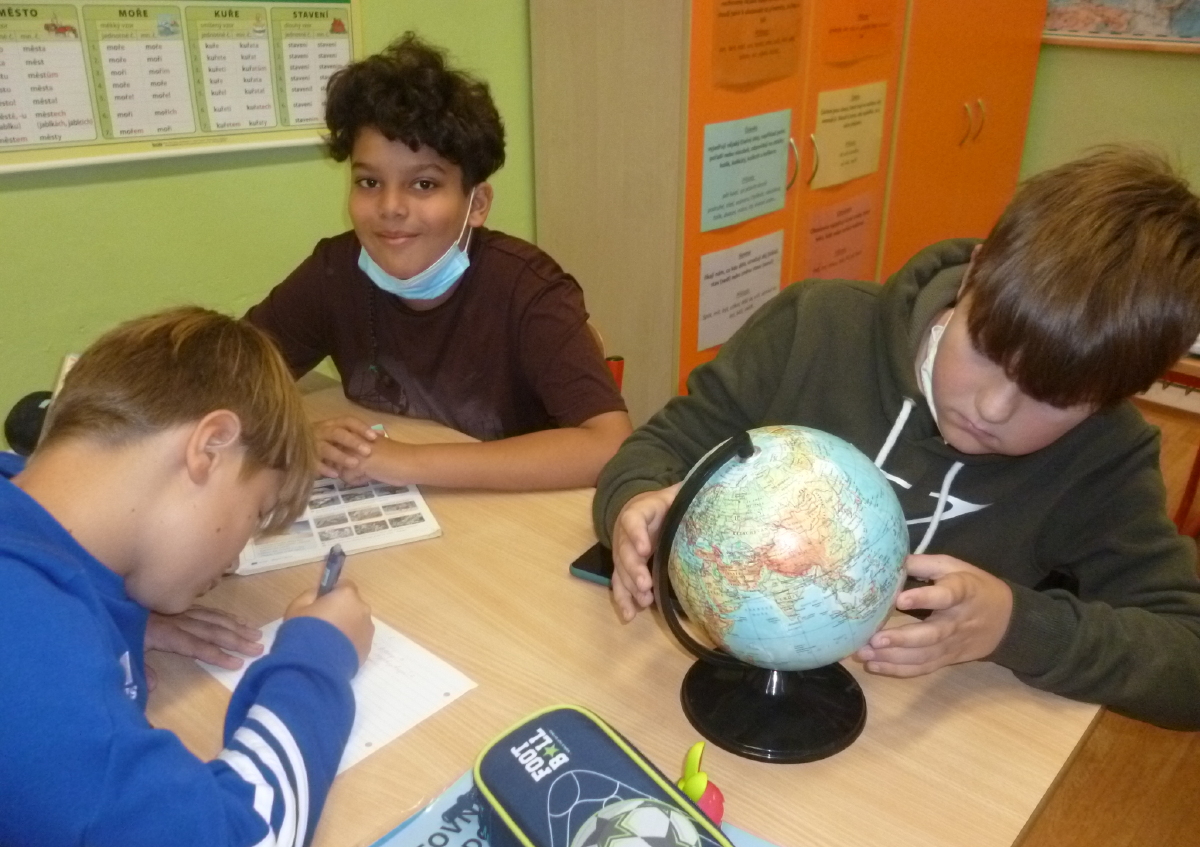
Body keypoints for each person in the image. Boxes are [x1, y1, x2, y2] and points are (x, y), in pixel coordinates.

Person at [593, 146, 1200, 730]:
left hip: (909, 737)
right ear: (976, 274)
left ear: (1116, 395)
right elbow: (655, 450)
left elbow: (1188, 661)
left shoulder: (1104, 458)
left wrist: (1013, 625)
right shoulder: (815, 327)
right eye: (986, 350)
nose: (992, 408)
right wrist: (634, 506)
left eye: (1053, 397)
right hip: (702, 690)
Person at [0, 307, 375, 847]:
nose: (236, 557)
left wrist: (106, 615)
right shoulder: (20, 632)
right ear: (211, 446)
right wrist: (318, 656)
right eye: (256, 513)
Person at [246, 33, 631, 491]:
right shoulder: (335, 272)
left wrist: (402, 461)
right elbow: (223, 378)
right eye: (369, 182)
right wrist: (292, 441)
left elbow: (608, 444)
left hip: (510, 515)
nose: (390, 207)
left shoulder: (528, 289)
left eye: (424, 184)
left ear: (477, 204)